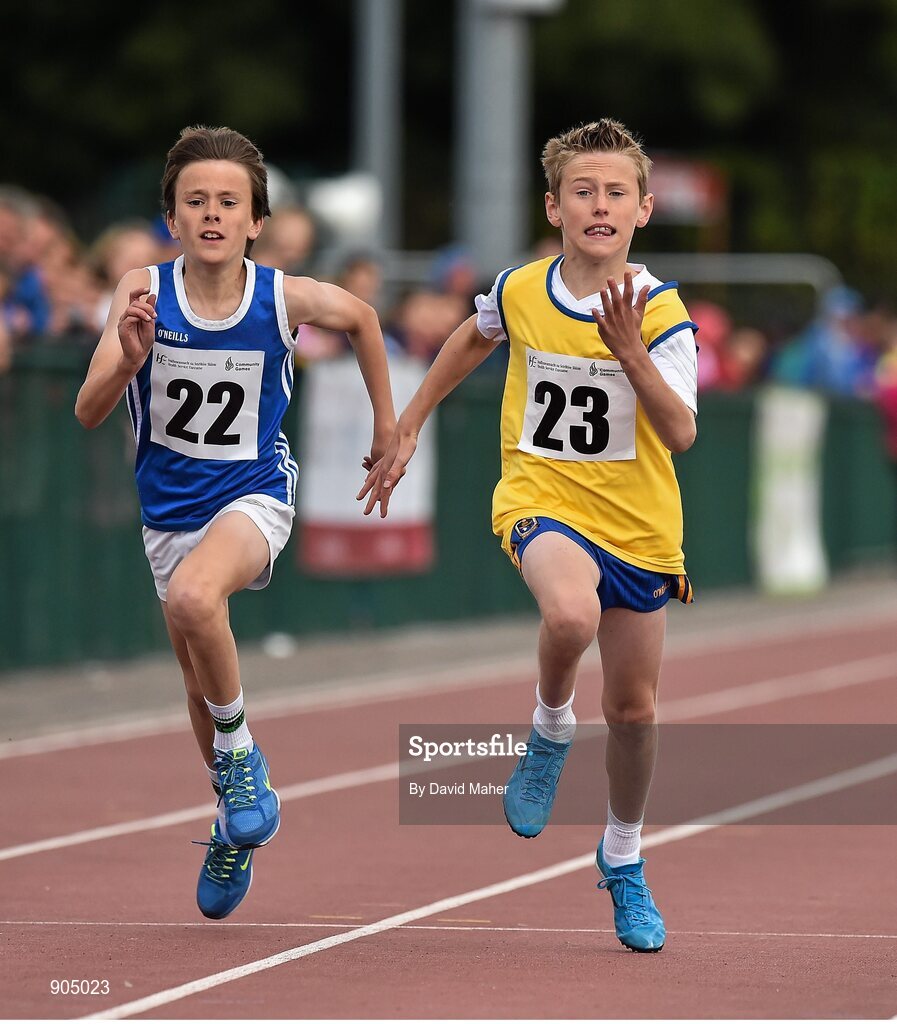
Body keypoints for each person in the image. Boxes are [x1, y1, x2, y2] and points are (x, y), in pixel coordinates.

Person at [359, 119, 698, 953]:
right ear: (554, 207)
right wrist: (407, 423)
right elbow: (470, 338)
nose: (599, 204)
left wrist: (630, 351)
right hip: (540, 501)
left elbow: (680, 431)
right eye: (582, 190)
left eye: (616, 191)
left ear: (643, 209)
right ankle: (549, 727)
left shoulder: (658, 308)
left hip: (639, 527)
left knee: (633, 711)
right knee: (568, 617)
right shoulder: (518, 289)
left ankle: (622, 859)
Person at [75, 126, 395, 920]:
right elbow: (88, 411)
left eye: (229, 202)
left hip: (254, 492)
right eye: (195, 202)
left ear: (256, 220)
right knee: (195, 678)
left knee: (193, 602)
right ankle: (231, 815)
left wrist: (389, 426)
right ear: (171, 219)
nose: (212, 214)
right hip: (168, 509)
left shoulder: (280, 297)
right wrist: (125, 355)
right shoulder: (141, 291)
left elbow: (360, 318)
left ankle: (242, 759)